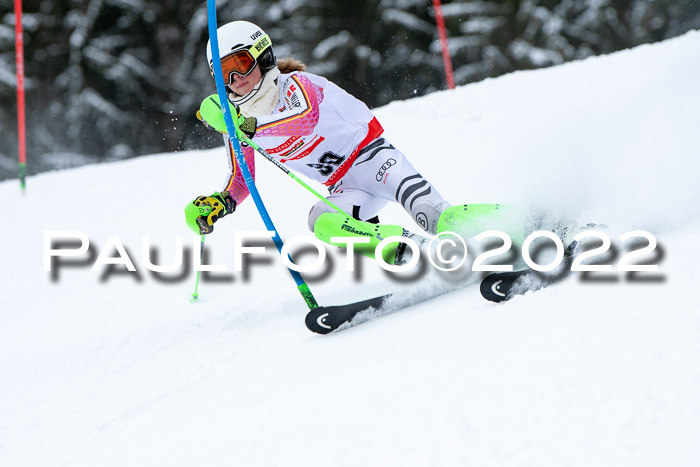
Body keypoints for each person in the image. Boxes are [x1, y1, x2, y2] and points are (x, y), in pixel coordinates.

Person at [186, 20, 509, 265]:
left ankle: (523, 221)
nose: (235, 80)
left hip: (376, 162)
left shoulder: (297, 86)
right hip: (345, 187)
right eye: (223, 74)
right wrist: (221, 203)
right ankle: (414, 253)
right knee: (320, 221)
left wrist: (244, 127)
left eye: (240, 65)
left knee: (436, 217)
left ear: (263, 56)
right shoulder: (240, 125)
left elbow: (305, 120)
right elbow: (243, 179)